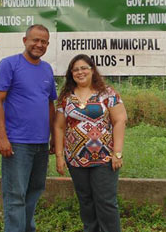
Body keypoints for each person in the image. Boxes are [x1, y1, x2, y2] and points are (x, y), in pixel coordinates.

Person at [0, 24, 57, 232]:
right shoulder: (9, 64)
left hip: (40, 143)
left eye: (43, 42)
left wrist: (54, 137)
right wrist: (2, 138)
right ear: (25, 41)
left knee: (34, 191)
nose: (39, 45)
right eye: (35, 40)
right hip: (17, 143)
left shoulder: (47, 69)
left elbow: (49, 104)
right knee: (15, 196)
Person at [54, 54, 127, 232]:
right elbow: (59, 127)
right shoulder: (66, 98)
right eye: (76, 69)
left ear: (92, 70)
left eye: (84, 68)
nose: (80, 72)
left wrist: (117, 153)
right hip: (76, 160)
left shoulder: (107, 93)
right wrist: (59, 156)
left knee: (106, 202)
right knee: (85, 202)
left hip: (104, 158)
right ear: (71, 73)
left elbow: (120, 120)